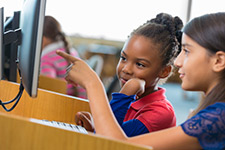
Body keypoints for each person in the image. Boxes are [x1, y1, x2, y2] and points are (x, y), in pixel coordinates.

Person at [57, 12, 225, 150]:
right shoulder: (208, 114)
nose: (178, 62)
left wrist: (93, 83)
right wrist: (96, 126)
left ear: (218, 61)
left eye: (187, 51)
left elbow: (115, 145)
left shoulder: (216, 119)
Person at [76, 13, 183, 137]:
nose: (126, 69)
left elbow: (107, 142)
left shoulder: (160, 114)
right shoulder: (134, 99)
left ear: (164, 71)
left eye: (140, 64)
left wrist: (126, 93)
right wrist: (93, 128)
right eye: (123, 58)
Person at [40, 15, 87, 98]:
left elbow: (49, 88)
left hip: (69, 103)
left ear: (42, 39)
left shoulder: (47, 59)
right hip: (84, 101)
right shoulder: (71, 51)